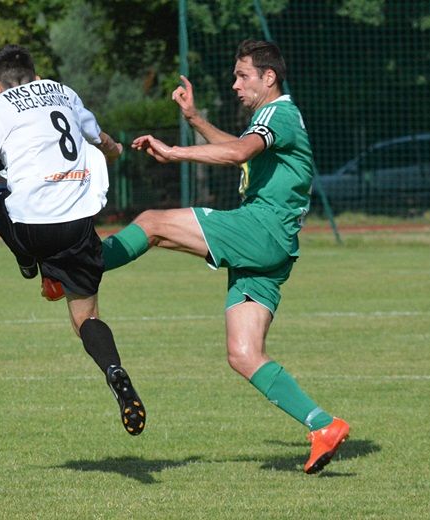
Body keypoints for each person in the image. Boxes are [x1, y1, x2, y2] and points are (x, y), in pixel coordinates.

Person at [102, 40, 349, 473]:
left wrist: (174, 152)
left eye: (242, 75)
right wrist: (194, 118)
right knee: (243, 353)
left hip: (262, 228)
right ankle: (322, 425)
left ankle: (81, 264)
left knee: (154, 223)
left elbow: (238, 152)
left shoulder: (280, 113)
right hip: (274, 247)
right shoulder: (269, 118)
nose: (235, 84)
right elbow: (240, 151)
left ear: (268, 77)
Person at [0, 44, 146, 436]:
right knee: (87, 320)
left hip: (31, 227)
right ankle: (115, 371)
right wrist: (114, 151)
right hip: (79, 222)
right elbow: (103, 141)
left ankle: (28, 260)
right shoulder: (63, 92)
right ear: (35, 74)